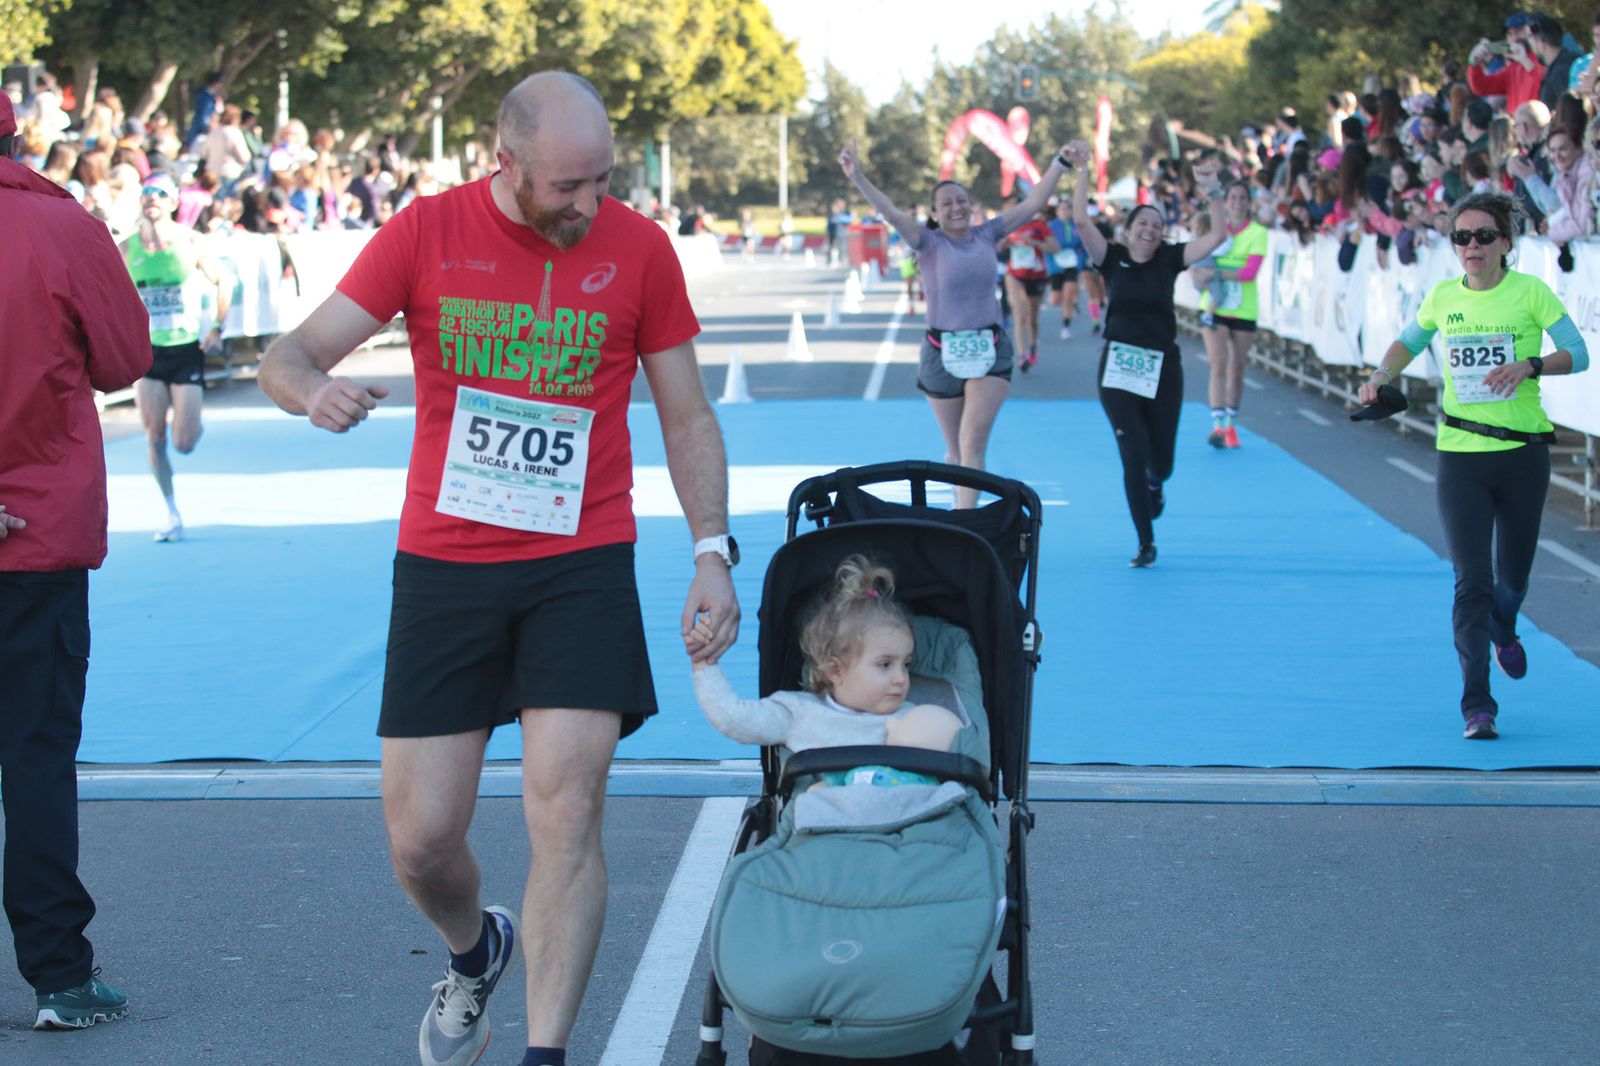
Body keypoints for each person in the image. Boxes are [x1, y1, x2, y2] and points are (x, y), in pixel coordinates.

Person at [257, 71, 739, 1066]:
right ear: (503, 160)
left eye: (601, 180)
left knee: (567, 805)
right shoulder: (425, 234)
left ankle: (546, 1053)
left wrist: (709, 550)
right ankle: (476, 950)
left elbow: (687, 414)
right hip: (448, 563)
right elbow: (288, 351)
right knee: (423, 837)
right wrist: (312, 392)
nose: (587, 204)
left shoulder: (640, 250)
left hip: (583, 557)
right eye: (565, 186)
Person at [0, 89, 150, 1031]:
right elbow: (127, 355)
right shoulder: (58, 225)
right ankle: (57, 974)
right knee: (36, 756)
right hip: (35, 534)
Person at [1359, 191, 1589, 740]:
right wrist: (1379, 377)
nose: (1472, 246)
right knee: (1471, 581)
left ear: (1505, 244)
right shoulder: (1442, 297)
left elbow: (1578, 353)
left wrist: (1529, 365)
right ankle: (1477, 704)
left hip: (1522, 453)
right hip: (1460, 454)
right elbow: (1406, 342)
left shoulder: (1529, 292)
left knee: (1511, 580)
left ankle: (1504, 625)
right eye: (1462, 237)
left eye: (1484, 236)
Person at [837, 137, 1072, 508]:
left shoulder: (988, 233)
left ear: (971, 206)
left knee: (972, 441)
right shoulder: (926, 242)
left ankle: (965, 519)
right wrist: (857, 177)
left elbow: (1033, 203)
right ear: (936, 212)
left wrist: (1059, 163)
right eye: (947, 203)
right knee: (955, 451)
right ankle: (961, 496)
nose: (956, 207)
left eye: (961, 200)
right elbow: (890, 212)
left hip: (989, 348)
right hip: (940, 351)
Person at [1063, 141, 1229, 569]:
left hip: (1162, 368)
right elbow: (1081, 219)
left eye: (1157, 225)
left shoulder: (1171, 259)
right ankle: (1145, 542)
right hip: (1118, 367)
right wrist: (1081, 170)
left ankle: (1157, 483)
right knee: (1132, 454)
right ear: (1128, 229)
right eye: (1143, 223)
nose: (1150, 230)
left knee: (1162, 462)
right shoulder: (1111, 257)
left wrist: (1214, 191)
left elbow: (1217, 235)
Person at [688, 555, 963, 770]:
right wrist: (704, 664)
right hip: (829, 830)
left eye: (906, 664)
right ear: (835, 670)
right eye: (885, 665)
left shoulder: (913, 720)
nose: (901, 678)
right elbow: (735, 719)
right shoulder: (799, 713)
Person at [123, 172, 231, 543]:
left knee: (184, 442)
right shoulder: (127, 248)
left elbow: (224, 281)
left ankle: (191, 424)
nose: (152, 198)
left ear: (172, 203)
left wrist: (217, 326)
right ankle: (171, 511)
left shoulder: (190, 241)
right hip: (148, 353)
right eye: (146, 193)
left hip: (186, 349)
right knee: (154, 437)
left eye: (160, 193)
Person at [1192, 181, 1268, 449]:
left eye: (1241, 197)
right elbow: (1197, 259)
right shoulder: (1215, 231)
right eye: (1232, 197)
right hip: (1214, 307)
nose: (1236, 201)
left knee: (1237, 369)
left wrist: (1214, 273)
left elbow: (1249, 273)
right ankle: (1216, 427)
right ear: (1225, 202)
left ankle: (1231, 425)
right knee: (1218, 364)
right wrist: (1198, 275)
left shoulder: (1258, 233)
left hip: (1245, 308)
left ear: (1248, 202)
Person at [1001, 197, 1059, 371]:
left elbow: (1055, 248)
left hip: (1036, 274)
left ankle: (1033, 348)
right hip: (1015, 274)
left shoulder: (1039, 225)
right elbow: (998, 247)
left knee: (1032, 318)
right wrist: (1006, 243)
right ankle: (1022, 354)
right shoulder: (1007, 226)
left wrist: (1034, 242)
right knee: (1020, 315)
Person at [1045, 198, 1086, 339]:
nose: (1064, 211)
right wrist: (1051, 265)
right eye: (1061, 208)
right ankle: (1068, 303)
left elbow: (1083, 246)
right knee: (1055, 300)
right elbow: (1047, 248)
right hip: (1056, 266)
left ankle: (1066, 326)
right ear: (1057, 211)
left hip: (1072, 265)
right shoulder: (1050, 226)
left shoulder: (1077, 226)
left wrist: (1080, 262)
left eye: (1067, 208)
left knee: (1068, 295)